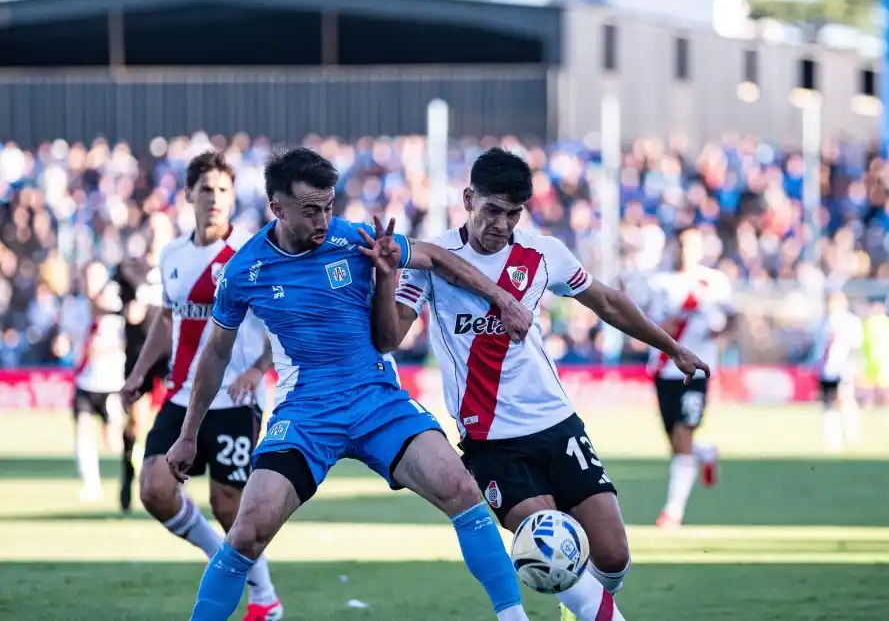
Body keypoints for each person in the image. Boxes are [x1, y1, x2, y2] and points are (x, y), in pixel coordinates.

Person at [165, 146, 537, 621]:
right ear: (277, 208)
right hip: (306, 412)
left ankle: (514, 618)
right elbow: (215, 352)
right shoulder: (245, 270)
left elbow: (438, 259)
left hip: (377, 401)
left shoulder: (358, 241)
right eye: (310, 210)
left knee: (463, 492)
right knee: (248, 530)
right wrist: (188, 434)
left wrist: (502, 299)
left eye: (329, 206)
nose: (324, 220)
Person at [374, 147, 709, 621]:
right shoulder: (433, 259)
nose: (502, 225)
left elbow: (608, 303)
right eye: (492, 210)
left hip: (557, 425)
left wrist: (670, 347)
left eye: (513, 214)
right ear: (469, 198)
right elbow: (388, 338)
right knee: (550, 545)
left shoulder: (543, 253)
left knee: (613, 555)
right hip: (492, 441)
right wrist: (386, 282)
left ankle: (575, 608)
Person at [120, 151, 283, 621]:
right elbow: (167, 320)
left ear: (233, 199)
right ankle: (226, 563)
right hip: (180, 393)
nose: (214, 198)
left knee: (229, 506)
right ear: (189, 194)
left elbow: (280, 320)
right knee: (154, 488)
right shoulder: (172, 254)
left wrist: (258, 368)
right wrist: (137, 375)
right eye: (206, 189)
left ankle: (265, 599)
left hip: (235, 397)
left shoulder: (251, 254)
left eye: (223, 191)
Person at [645, 228, 733, 529]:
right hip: (663, 369)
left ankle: (672, 512)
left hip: (697, 370)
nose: (685, 250)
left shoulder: (714, 282)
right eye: (681, 245)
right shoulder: (659, 283)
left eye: (691, 245)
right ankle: (705, 452)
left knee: (683, 436)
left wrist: (720, 335)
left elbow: (733, 315)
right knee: (675, 442)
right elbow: (646, 322)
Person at [116, 256, 169, 513]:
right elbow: (130, 314)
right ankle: (128, 473)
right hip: (140, 355)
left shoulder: (182, 260)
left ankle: (170, 480)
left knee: (174, 419)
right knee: (136, 423)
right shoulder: (130, 270)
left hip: (172, 356)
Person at [72, 261, 127, 502]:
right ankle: (90, 484)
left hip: (111, 384)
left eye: (95, 278)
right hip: (85, 381)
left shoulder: (117, 309)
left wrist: (102, 348)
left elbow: (129, 342)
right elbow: (72, 335)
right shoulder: (76, 307)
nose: (90, 283)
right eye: (87, 277)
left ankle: (137, 468)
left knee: (114, 440)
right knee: (83, 429)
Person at [810, 292, 863, 452]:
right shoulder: (823, 322)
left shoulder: (851, 322)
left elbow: (855, 347)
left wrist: (853, 368)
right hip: (826, 370)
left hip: (843, 369)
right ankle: (832, 440)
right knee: (827, 404)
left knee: (844, 401)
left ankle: (851, 435)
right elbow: (819, 348)